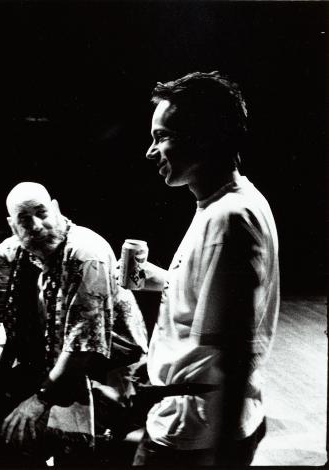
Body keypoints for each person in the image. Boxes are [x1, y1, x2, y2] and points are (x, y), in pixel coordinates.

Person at [131, 71, 279, 466]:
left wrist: (223, 452)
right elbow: (212, 302)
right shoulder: (229, 204)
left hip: (193, 436)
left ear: (206, 136)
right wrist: (160, 280)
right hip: (195, 424)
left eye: (161, 136)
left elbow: (235, 350)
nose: (150, 151)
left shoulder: (228, 220)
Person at [0, 182, 149, 465]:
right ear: (13, 226)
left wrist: (38, 402)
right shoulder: (23, 247)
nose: (36, 225)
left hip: (111, 379)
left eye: (41, 213)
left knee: (12, 434)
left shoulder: (86, 254)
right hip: (63, 369)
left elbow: (83, 350)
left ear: (56, 209)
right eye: (24, 220)